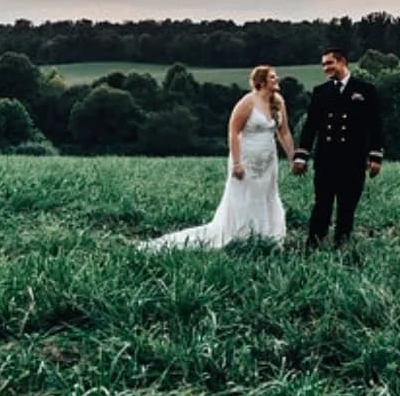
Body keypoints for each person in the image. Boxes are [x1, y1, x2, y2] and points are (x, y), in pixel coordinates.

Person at [140, 66, 295, 250]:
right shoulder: (247, 102)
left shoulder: (278, 102)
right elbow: (234, 131)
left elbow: (283, 132)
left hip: (268, 162)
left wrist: (294, 158)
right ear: (261, 82)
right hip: (246, 159)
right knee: (244, 197)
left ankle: (267, 235)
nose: (277, 79)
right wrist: (237, 163)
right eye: (272, 77)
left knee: (267, 195)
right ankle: (241, 235)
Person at [291, 47, 384, 247]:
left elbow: (375, 125)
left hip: (353, 160)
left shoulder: (365, 90)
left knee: (347, 207)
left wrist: (375, 156)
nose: (326, 68)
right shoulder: (320, 92)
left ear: (342, 62)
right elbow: (310, 127)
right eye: (323, 64)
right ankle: (313, 245)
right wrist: (301, 156)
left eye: (329, 63)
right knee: (321, 205)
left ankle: (341, 246)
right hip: (326, 160)